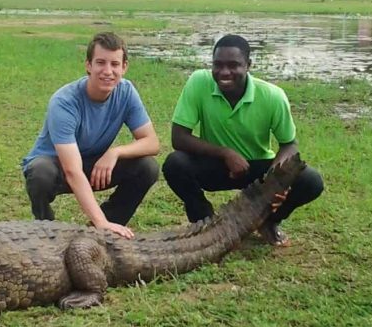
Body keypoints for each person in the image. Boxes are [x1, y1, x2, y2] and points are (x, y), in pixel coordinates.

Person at [161, 34, 324, 246]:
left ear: (248, 65)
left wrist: (276, 179)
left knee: (311, 181)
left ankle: (268, 221)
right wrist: (226, 153)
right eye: (217, 65)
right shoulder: (198, 82)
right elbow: (179, 137)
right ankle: (204, 222)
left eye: (233, 65)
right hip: (217, 166)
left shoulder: (273, 96)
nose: (224, 72)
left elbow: (289, 144)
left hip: (258, 169)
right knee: (175, 163)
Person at [22, 32, 160, 239]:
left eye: (114, 64)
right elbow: (72, 170)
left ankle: (103, 230)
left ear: (124, 67)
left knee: (147, 167)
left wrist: (114, 152)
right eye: (100, 63)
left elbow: (152, 142)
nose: (108, 71)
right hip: (58, 165)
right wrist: (100, 220)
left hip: (93, 164)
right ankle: (45, 227)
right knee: (40, 172)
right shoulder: (64, 102)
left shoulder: (126, 92)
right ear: (88, 65)